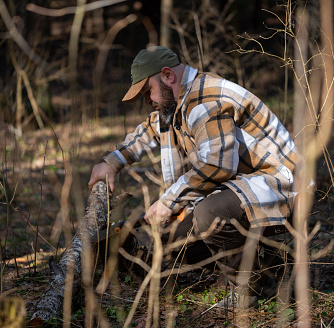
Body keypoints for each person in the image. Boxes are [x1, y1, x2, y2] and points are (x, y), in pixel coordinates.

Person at [88, 46, 299, 308]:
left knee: (209, 214)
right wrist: (112, 162)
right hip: (248, 187)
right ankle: (271, 263)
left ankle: (255, 288)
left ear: (168, 75)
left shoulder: (205, 100)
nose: (147, 100)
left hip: (282, 185)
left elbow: (217, 166)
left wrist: (168, 201)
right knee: (173, 239)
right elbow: (148, 130)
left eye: (147, 91)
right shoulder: (176, 104)